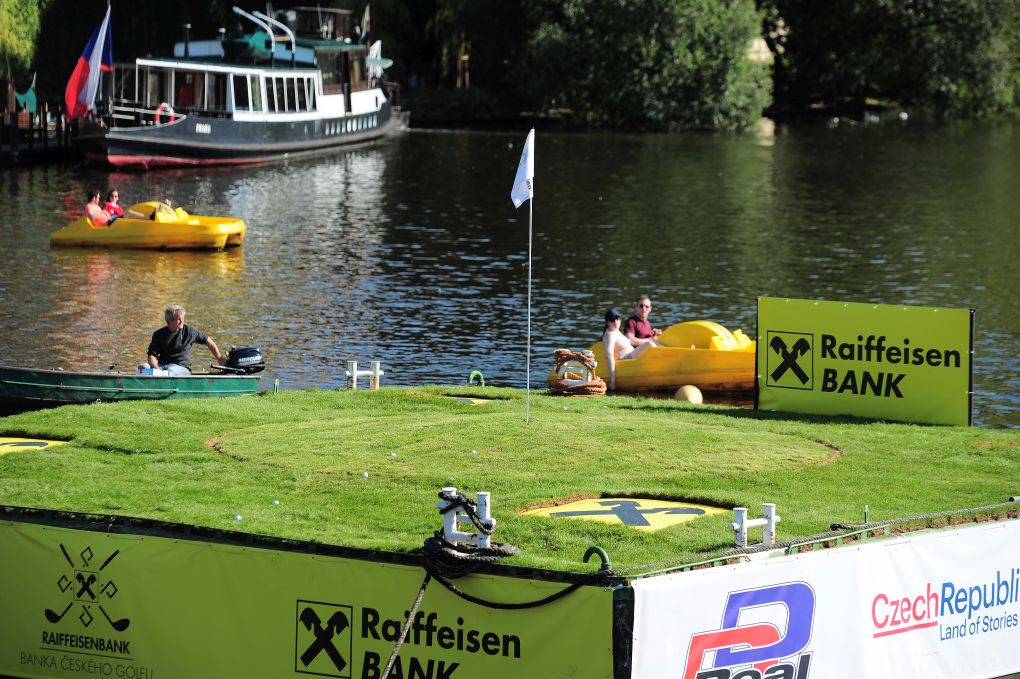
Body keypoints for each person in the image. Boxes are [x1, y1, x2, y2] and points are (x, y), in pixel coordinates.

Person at [146, 304, 224, 376]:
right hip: (162, 366)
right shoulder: (158, 334)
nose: (182, 321)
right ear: (170, 321)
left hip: (182, 368)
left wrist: (219, 358)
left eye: (183, 318)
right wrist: (156, 369)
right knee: (143, 367)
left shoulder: (190, 331)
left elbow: (208, 340)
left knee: (170, 370)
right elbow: (151, 355)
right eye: (179, 319)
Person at [602, 308, 656, 391]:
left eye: (617, 319)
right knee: (650, 344)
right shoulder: (610, 335)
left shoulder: (616, 331)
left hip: (631, 355)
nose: (616, 322)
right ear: (607, 322)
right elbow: (608, 354)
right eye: (612, 320)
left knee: (653, 343)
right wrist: (612, 379)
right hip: (625, 359)